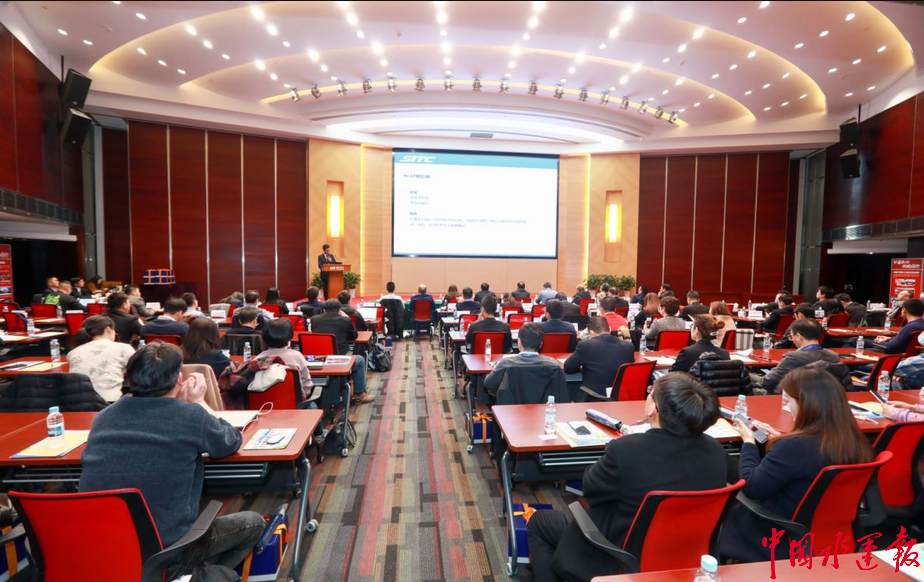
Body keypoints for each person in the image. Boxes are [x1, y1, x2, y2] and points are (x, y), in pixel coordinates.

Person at [78, 343, 265, 580]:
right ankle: (186, 574)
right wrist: (199, 402)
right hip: (165, 551)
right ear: (179, 378)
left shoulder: (104, 417)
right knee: (252, 523)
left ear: (129, 378)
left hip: (100, 547)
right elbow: (230, 441)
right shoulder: (189, 415)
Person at [527, 373, 728, 582]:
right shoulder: (716, 451)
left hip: (620, 554)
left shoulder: (627, 450)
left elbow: (591, 490)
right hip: (688, 554)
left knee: (539, 522)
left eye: (650, 393)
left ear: (653, 409)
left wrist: (617, 448)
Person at [720, 366, 873, 562]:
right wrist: (781, 439)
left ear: (806, 405)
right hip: (834, 533)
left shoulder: (795, 447)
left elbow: (751, 487)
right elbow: (804, 459)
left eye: (789, 402)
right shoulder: (857, 441)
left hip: (777, 533)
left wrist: (749, 441)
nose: (788, 407)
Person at [751, 319, 851, 394]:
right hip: (821, 399)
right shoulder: (832, 355)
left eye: (791, 336)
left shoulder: (793, 357)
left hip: (786, 397)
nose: (792, 340)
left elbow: (767, 382)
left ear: (798, 336)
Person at [310, 299, 375, 404]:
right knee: (360, 360)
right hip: (340, 357)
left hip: (319, 357)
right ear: (339, 310)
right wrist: (346, 317)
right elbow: (354, 336)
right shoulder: (345, 320)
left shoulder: (314, 319)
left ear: (324, 310)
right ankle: (359, 395)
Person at [67, 315, 136, 402]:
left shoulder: (73, 352)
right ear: (108, 329)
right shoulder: (123, 348)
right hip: (109, 402)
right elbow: (139, 371)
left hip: (76, 403)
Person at [564, 316, 635, 400]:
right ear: (609, 329)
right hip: (620, 397)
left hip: (593, 397)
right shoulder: (628, 346)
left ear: (591, 332)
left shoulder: (585, 345)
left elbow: (568, 367)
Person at [483, 323, 562, 398]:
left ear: (519, 341)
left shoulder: (506, 363)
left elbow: (489, 383)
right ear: (541, 344)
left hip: (511, 406)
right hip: (544, 406)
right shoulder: (553, 364)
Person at [256, 318, 315, 403]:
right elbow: (307, 385)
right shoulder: (297, 356)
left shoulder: (258, 359)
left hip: (264, 406)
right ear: (290, 336)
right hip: (295, 406)